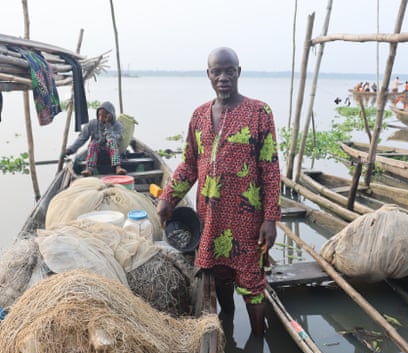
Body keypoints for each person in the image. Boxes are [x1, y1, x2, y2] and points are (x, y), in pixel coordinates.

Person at [157, 47, 281, 336]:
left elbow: (270, 169)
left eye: (229, 70)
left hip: (249, 222)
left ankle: (256, 341)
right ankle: (226, 322)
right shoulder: (199, 115)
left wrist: (271, 218)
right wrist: (168, 198)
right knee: (221, 280)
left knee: (252, 284)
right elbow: (189, 165)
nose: (223, 77)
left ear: (239, 72)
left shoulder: (259, 112)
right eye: (217, 71)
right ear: (209, 74)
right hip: (210, 220)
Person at [64, 101, 127, 176]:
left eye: (104, 115)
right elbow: (82, 138)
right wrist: (70, 150)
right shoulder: (92, 124)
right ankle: (89, 169)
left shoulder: (118, 126)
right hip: (96, 154)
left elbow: (113, 139)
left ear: (110, 115)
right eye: (99, 115)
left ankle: (118, 167)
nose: (101, 118)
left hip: (111, 154)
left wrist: (108, 126)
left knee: (112, 143)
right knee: (93, 143)